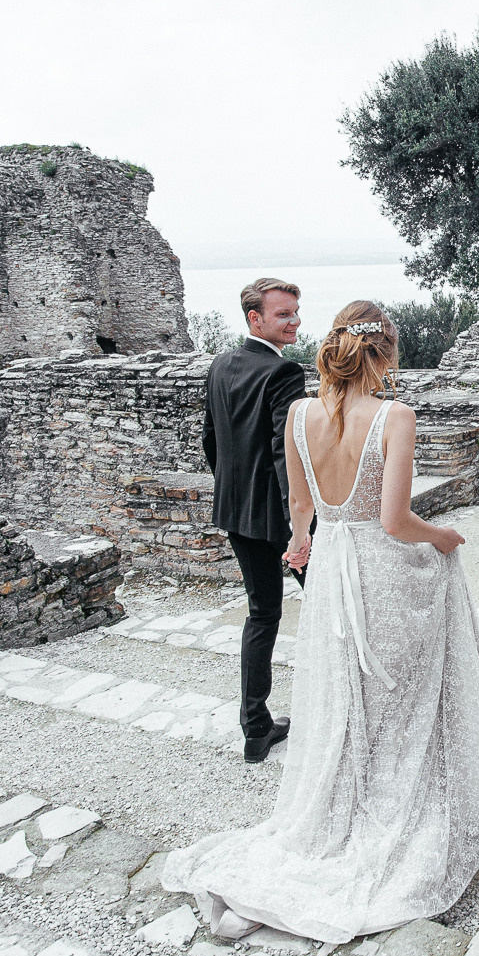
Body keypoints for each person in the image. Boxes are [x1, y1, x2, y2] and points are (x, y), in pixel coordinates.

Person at [162, 300, 479, 942]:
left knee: (345, 693)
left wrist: (300, 546)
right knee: (399, 695)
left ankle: (338, 809)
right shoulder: (395, 416)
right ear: (382, 354)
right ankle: (395, 812)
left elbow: (300, 506)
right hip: (384, 571)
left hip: (331, 567)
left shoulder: (300, 415)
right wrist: (444, 537)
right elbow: (395, 521)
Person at [201, 277, 311, 764]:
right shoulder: (284, 373)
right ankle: (349, 710)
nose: (295, 322)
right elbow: (286, 452)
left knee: (262, 614)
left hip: (236, 513)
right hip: (279, 520)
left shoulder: (220, 365)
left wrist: (234, 494)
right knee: (335, 606)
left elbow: (212, 442)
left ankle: (255, 728)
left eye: (295, 312)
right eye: (284, 314)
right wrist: (299, 528)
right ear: (256, 318)